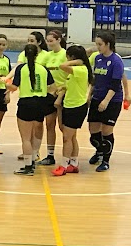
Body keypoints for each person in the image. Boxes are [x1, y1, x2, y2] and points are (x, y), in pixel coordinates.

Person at [9, 44, 55, 176]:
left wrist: (4, 83)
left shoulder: (21, 69)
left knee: (26, 138)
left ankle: (28, 166)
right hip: (40, 103)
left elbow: (13, 87)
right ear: (37, 55)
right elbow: (53, 87)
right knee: (37, 131)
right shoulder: (43, 69)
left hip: (26, 103)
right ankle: (35, 156)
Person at [88, 31, 130, 172]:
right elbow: (95, 80)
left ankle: (106, 160)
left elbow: (115, 83)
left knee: (106, 131)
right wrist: (89, 95)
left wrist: (106, 101)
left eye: (100, 44)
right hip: (97, 97)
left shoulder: (116, 61)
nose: (98, 47)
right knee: (93, 133)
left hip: (112, 101)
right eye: (96, 44)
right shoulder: (98, 59)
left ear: (108, 44)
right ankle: (99, 151)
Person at [52, 45, 94, 176]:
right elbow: (71, 83)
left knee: (66, 138)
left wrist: (78, 61)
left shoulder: (81, 69)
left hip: (76, 107)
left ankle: (64, 165)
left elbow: (62, 66)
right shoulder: (76, 71)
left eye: (68, 57)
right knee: (72, 136)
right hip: (69, 105)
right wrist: (62, 88)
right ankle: (74, 163)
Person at [38, 30, 67, 166]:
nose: (49, 43)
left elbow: (70, 75)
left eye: (51, 41)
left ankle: (70, 155)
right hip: (48, 94)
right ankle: (50, 155)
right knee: (49, 124)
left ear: (59, 40)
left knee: (64, 127)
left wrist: (62, 90)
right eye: (47, 41)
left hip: (63, 93)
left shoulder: (65, 55)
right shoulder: (46, 56)